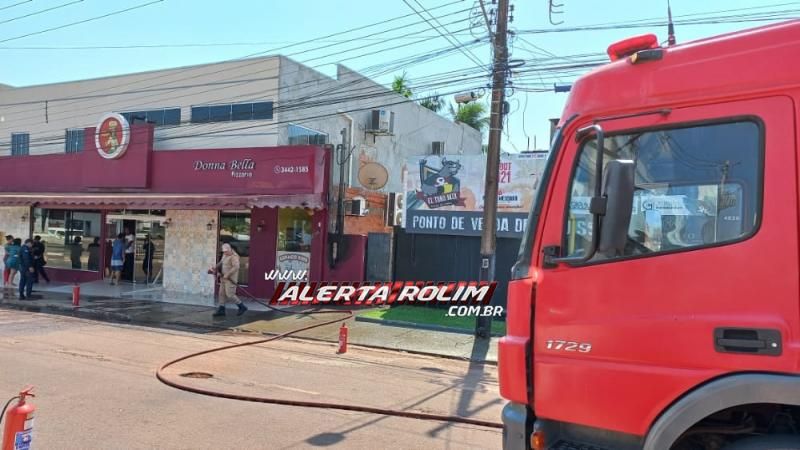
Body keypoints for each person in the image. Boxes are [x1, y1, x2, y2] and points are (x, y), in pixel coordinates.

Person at [211, 243, 247, 317]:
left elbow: (236, 267)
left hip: (230, 279)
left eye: (226, 251)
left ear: (229, 249)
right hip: (223, 278)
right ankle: (221, 309)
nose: (225, 253)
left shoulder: (234, 256)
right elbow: (221, 262)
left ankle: (241, 306)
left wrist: (228, 274)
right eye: (224, 251)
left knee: (230, 294)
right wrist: (215, 267)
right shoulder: (225, 255)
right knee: (221, 293)